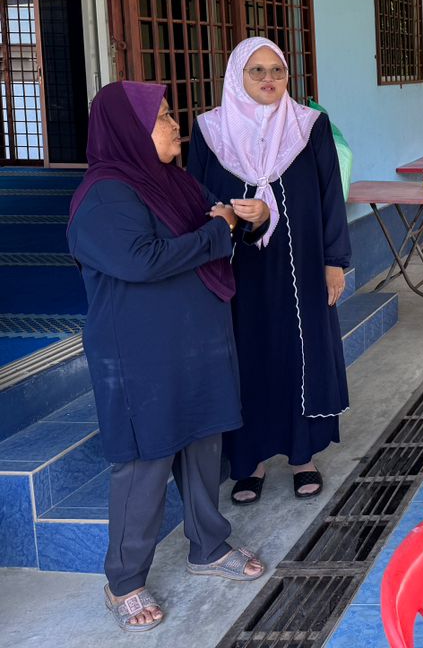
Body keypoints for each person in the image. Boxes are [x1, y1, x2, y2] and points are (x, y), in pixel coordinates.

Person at [67, 82, 266, 633]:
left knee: (202, 442)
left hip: (194, 340)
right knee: (145, 460)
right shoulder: (104, 195)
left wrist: (247, 220)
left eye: (172, 113)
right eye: (161, 118)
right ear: (128, 131)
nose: (176, 124)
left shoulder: (173, 181)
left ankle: (208, 545)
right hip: (140, 352)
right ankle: (124, 581)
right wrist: (219, 229)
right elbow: (143, 260)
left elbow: (218, 224)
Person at [189, 37, 352, 504]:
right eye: (256, 71)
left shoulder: (308, 125)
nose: (268, 79)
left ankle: (303, 457)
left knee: (299, 352)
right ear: (236, 76)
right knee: (246, 355)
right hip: (237, 268)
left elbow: (330, 194)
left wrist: (335, 261)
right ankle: (251, 461)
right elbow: (196, 198)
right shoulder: (210, 130)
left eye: (277, 70)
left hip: (301, 264)